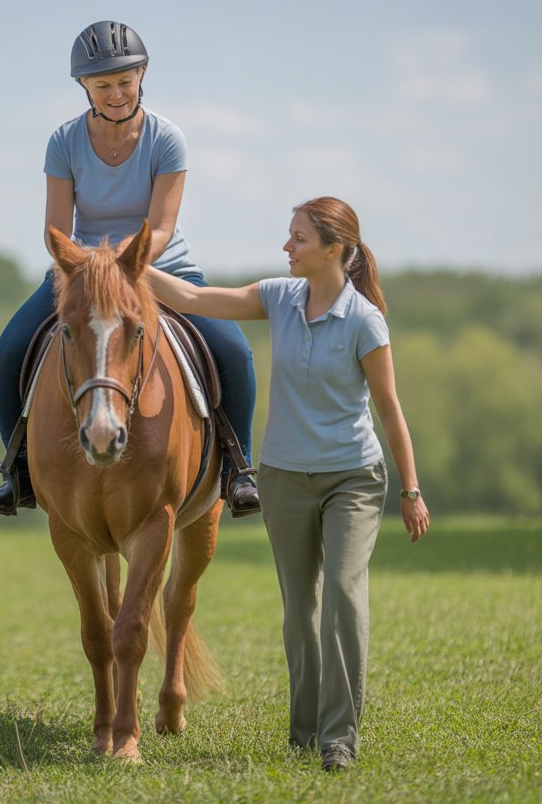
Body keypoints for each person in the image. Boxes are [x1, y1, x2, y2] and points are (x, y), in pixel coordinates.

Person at [145, 196, 430, 771]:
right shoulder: (279, 297)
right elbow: (197, 298)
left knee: (343, 598)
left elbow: (390, 408)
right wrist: (123, 264)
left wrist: (411, 489)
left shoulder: (364, 320)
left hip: (352, 476)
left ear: (334, 249)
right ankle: (304, 733)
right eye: (288, 236)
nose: (286, 247)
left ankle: (339, 738)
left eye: (297, 238)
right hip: (283, 477)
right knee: (301, 609)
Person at [0, 20, 260, 518]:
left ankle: (239, 468)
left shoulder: (167, 138)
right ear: (84, 87)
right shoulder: (63, 142)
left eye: (125, 81)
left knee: (233, 351)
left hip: (157, 267)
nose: (115, 93)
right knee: (8, 352)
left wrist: (123, 262)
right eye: (103, 84)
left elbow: (161, 228)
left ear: (143, 74)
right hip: (81, 273)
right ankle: (17, 469)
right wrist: (90, 267)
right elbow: (56, 229)